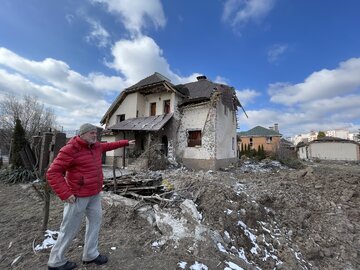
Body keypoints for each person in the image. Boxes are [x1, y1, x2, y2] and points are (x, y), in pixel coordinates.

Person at [46, 123, 135, 270]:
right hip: (77, 196)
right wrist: (66, 193)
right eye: (91, 133)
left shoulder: (95, 146)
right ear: (82, 134)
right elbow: (53, 172)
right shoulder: (70, 149)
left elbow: (110, 145)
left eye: (95, 133)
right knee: (69, 229)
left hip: (94, 194)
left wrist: (126, 142)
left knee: (95, 224)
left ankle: (90, 254)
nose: (94, 135)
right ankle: (56, 262)